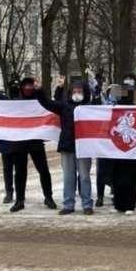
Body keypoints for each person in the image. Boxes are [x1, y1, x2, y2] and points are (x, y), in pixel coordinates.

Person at [0, 65, 57, 213]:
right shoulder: (12, 103)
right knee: (20, 172)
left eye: (30, 85)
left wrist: (41, 90)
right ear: (21, 87)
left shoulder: (40, 102)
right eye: (25, 85)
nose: (28, 87)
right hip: (19, 143)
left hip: (35, 142)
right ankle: (19, 200)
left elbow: (55, 105)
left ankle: (49, 197)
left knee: (44, 170)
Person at [35, 76, 94, 215]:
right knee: (68, 176)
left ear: (85, 92)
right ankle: (68, 204)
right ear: (70, 92)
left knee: (85, 176)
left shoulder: (91, 107)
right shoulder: (64, 106)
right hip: (67, 146)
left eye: (80, 90)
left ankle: (87, 205)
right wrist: (39, 91)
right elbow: (47, 103)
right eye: (75, 90)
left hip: (84, 147)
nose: (77, 92)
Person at [110, 73, 136, 214]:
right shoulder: (118, 94)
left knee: (131, 175)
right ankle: (118, 205)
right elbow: (110, 95)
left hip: (132, 143)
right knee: (117, 173)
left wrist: (135, 93)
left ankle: (130, 205)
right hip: (118, 142)